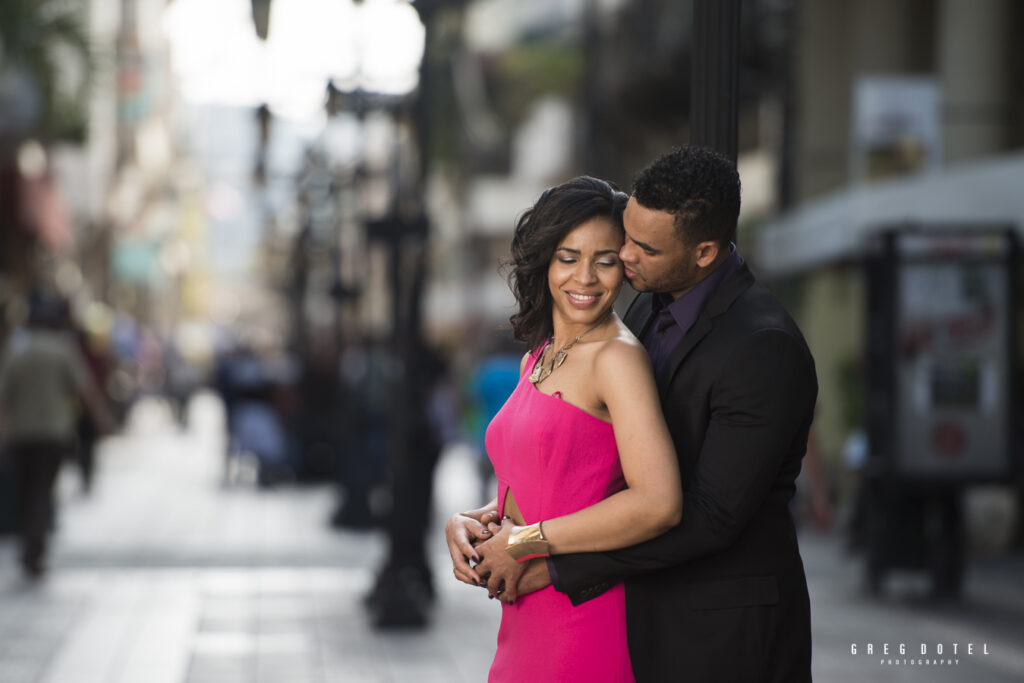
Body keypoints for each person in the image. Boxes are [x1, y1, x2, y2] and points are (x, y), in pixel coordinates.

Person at [448, 147, 818, 682]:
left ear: (705, 252)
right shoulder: (647, 300)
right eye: (624, 239)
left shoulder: (763, 346)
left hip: (719, 630)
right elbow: (590, 463)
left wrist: (538, 555)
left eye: (638, 248)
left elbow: (704, 517)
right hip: (626, 609)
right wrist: (484, 524)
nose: (622, 259)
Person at [445, 176, 683, 681]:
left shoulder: (617, 358)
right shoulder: (541, 354)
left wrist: (522, 542)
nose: (587, 278)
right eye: (568, 257)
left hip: (581, 619)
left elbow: (658, 503)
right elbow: (549, 480)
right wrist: (473, 522)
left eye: (605, 259)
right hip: (523, 618)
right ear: (544, 262)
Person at [0, 291, 113, 577]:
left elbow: (4, 396)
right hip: (53, 433)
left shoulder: (18, 350)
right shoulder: (61, 349)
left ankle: (31, 543)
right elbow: (85, 389)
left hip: (21, 433)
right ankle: (35, 544)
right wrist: (102, 420)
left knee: (26, 489)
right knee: (43, 489)